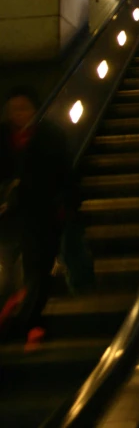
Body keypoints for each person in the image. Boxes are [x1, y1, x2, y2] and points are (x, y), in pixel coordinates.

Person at [0, 88, 75, 348]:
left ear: (36, 109)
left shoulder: (50, 135)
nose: (19, 114)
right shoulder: (3, 138)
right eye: (14, 109)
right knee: (8, 270)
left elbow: (64, 173)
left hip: (41, 214)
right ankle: (15, 317)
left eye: (25, 108)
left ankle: (31, 323)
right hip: (8, 218)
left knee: (38, 270)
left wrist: (66, 205)